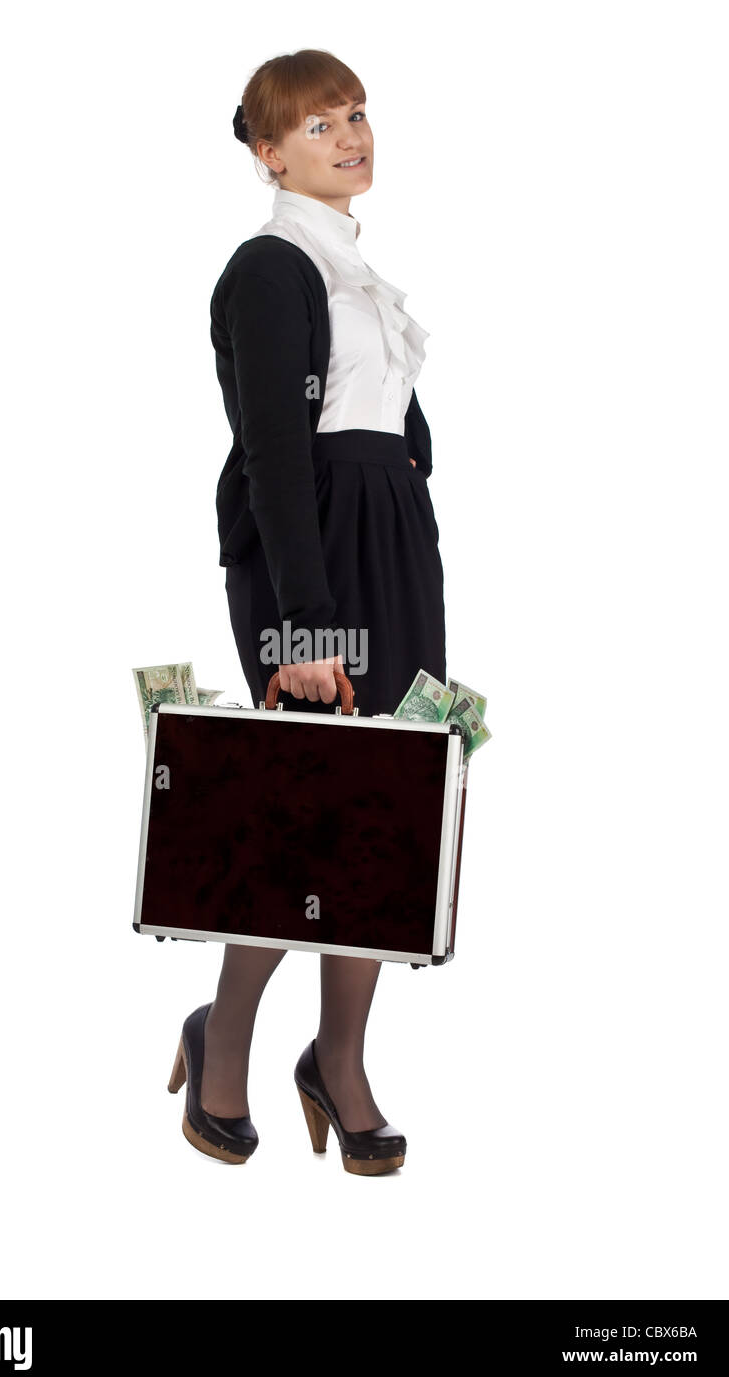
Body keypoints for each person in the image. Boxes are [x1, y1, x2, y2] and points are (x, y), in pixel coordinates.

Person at [168, 49, 446, 1176]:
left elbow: (389, 428)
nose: (350, 134)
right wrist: (311, 625)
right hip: (313, 559)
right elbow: (277, 462)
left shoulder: (354, 270)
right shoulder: (268, 269)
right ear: (267, 150)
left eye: (357, 114)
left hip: (390, 545)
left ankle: (337, 1059)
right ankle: (222, 1033)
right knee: (302, 814)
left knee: (385, 814)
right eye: (320, 122)